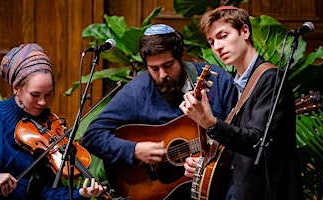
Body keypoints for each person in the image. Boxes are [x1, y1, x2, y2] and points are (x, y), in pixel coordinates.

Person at [81, 24, 237, 198]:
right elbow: (92, 136)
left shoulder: (218, 81)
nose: (162, 74)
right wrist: (134, 150)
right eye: (154, 69)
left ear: (181, 56)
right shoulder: (137, 91)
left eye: (168, 65)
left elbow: (238, 136)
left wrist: (209, 165)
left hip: (217, 187)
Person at [0, 43, 105, 199]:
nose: (43, 102)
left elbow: (45, 193)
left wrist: (80, 194)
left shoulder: (50, 129)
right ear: (16, 88)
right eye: (35, 95)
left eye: (48, 94)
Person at [180, 6, 303, 200]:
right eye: (212, 41)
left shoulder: (269, 79)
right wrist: (205, 161)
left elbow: (256, 142)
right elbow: (235, 142)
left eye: (223, 36)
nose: (217, 47)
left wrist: (211, 124)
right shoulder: (234, 83)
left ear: (244, 31)